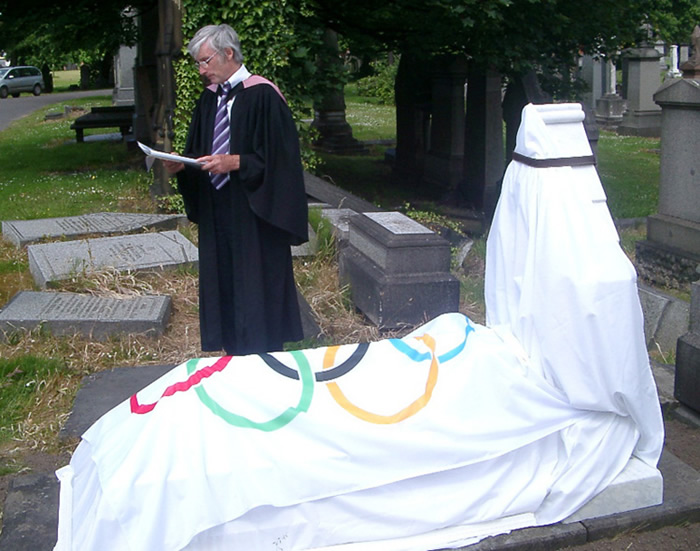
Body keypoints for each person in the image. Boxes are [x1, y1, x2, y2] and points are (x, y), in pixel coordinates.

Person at [163, 24, 308, 356]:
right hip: (218, 209)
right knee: (224, 283)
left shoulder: (264, 96)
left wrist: (237, 162)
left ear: (228, 53)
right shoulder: (209, 99)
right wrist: (183, 165)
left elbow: (282, 162)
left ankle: (264, 355)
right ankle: (231, 354)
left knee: (255, 286)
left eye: (205, 61)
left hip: (254, 210)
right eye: (198, 64)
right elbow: (202, 152)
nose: (201, 70)